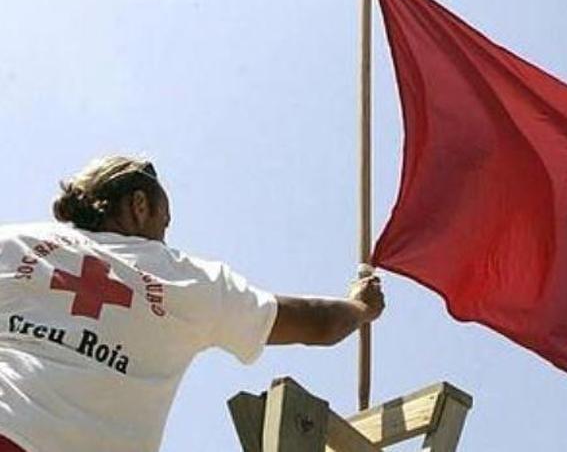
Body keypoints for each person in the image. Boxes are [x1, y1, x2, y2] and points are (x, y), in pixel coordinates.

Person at [0, 155, 384, 452]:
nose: (164, 238)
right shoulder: (186, 279)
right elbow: (316, 323)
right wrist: (361, 308)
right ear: (139, 205)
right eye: (164, 224)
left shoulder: (14, 242)